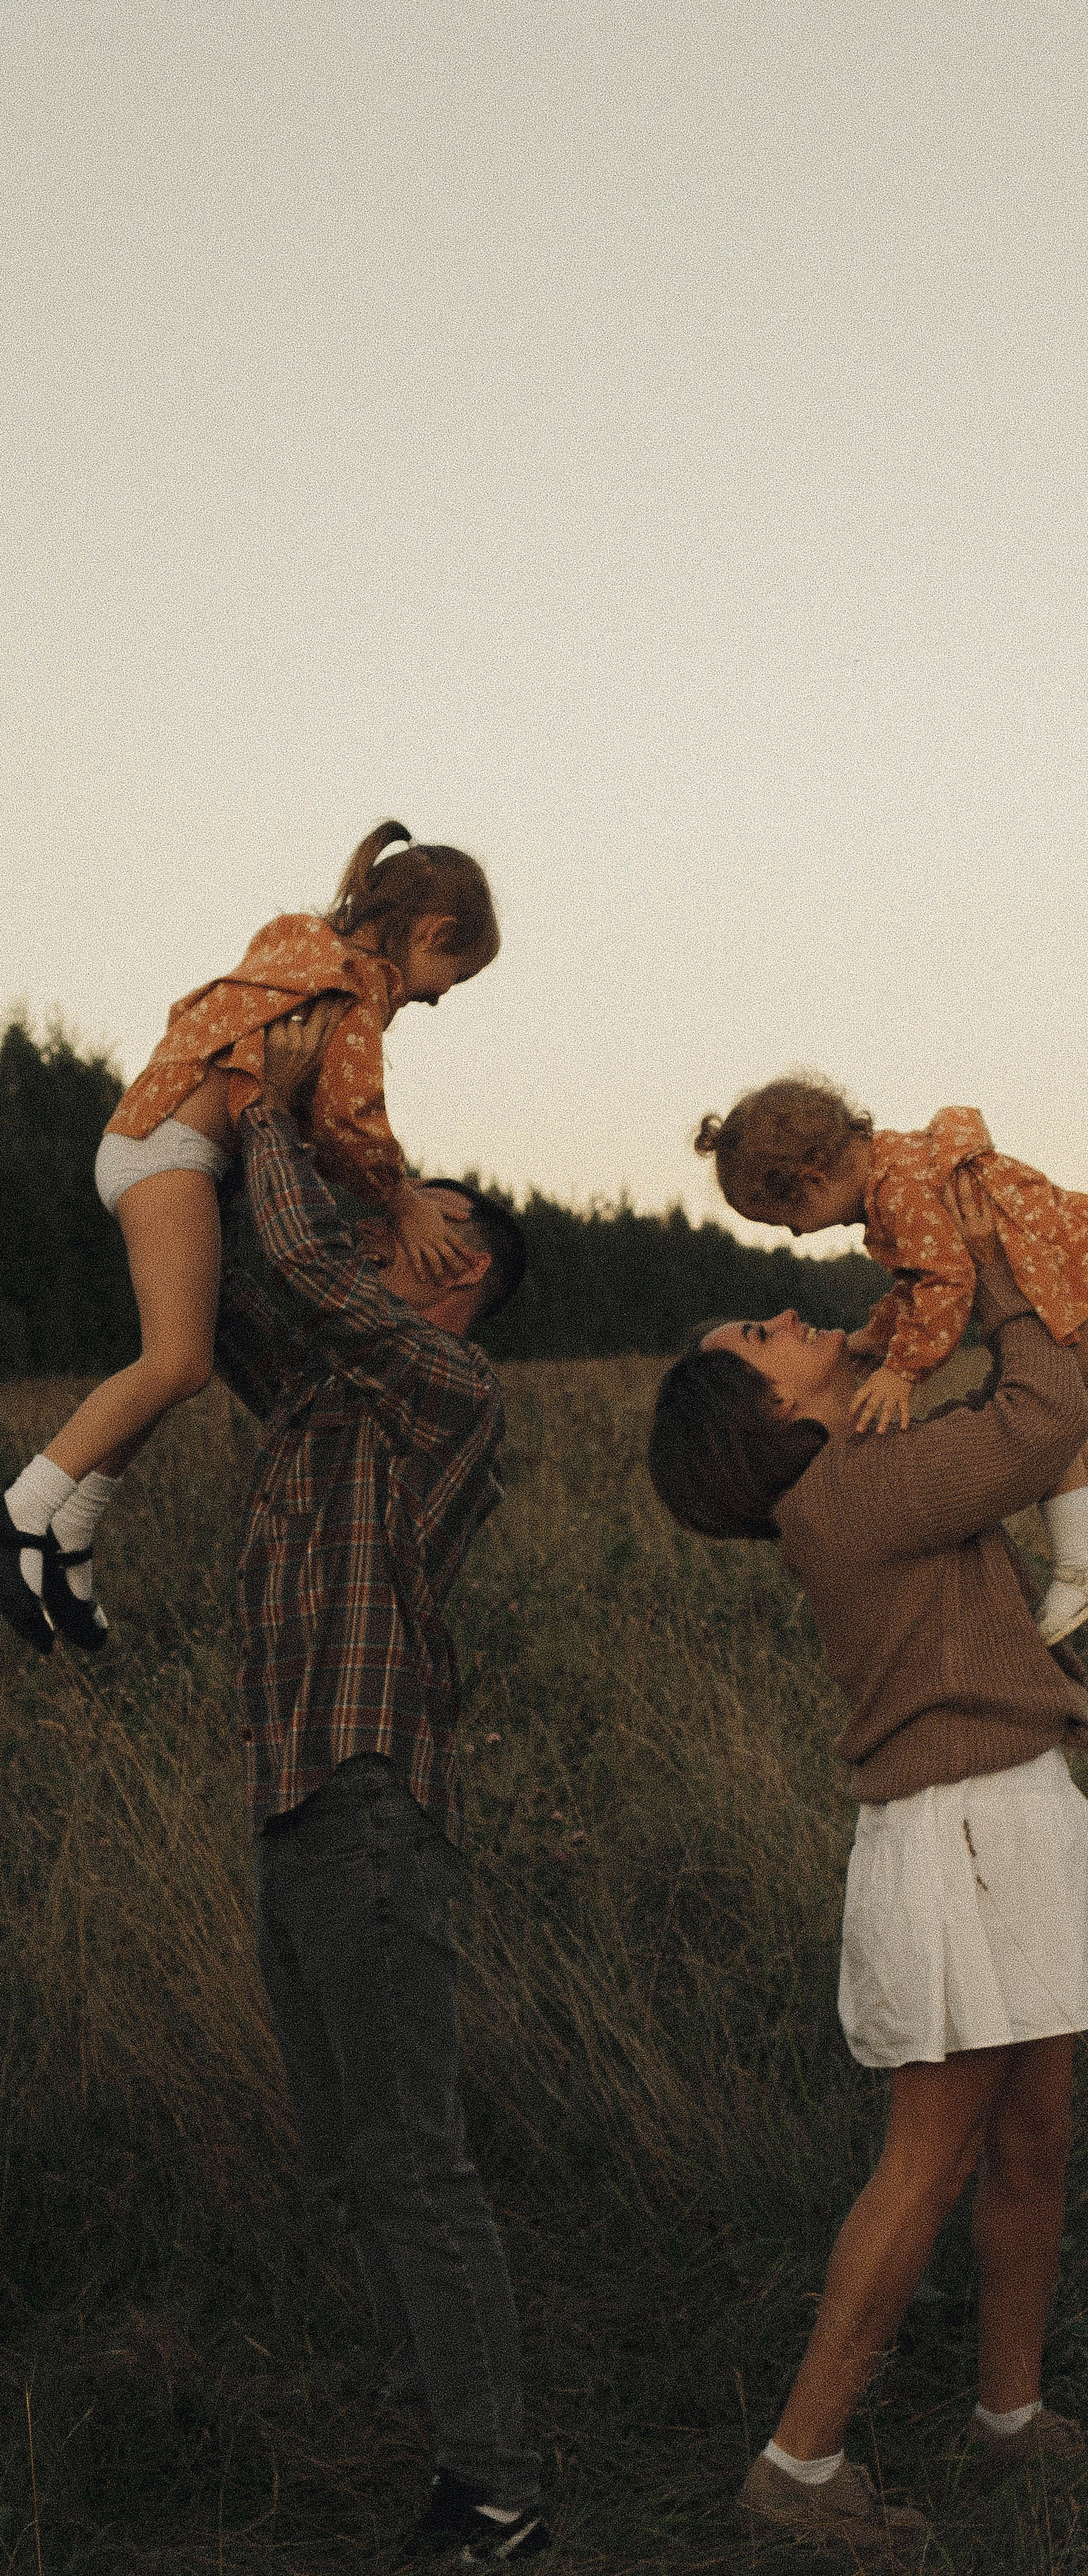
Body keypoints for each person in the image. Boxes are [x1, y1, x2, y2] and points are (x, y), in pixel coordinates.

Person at [647, 1171, 1088, 2558]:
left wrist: (894, 1324)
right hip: (966, 1841)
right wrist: (988, 1265)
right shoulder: (854, 1491)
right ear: (773, 1420)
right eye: (762, 1340)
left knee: (1032, 2141)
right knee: (926, 2165)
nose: (784, 1313)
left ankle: (1009, 2416)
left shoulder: (861, 1464)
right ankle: (797, 2467)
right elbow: (1044, 1417)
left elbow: (937, 1385)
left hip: (1008, 1816)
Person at [210, 999, 547, 2566]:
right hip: (296, 1813)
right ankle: (433, 2410)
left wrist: (279, 1107)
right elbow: (232, 1272)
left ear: (457, 1274)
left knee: (408, 2147)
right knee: (352, 2149)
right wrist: (216, 1101)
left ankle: (493, 2482)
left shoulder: (438, 1388)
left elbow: (295, 1258)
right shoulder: (310, 1400)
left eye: (425, 1220)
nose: (388, 1225)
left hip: (366, 1806)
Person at [0, 822, 500, 1658]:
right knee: (178, 1364)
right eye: (440, 987)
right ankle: (21, 1511)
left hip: (158, 1145)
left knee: (177, 1360)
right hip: (171, 1152)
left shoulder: (299, 948)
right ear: (433, 934)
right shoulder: (352, 987)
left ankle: (74, 1535)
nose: (427, 1002)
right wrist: (402, 1198)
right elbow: (349, 1118)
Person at [694, 1079, 1088, 1646]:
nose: (798, 1234)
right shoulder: (896, 1178)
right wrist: (877, 1338)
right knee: (1042, 1398)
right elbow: (921, 1282)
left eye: (788, 1221)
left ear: (812, 1180)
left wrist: (903, 1369)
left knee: (1035, 1407)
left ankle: (1084, 1559)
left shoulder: (898, 1192)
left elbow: (949, 1281)